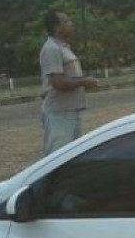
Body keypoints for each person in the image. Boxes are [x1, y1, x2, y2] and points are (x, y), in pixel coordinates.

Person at [39, 10, 98, 156]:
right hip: (59, 113)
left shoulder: (62, 48)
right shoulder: (51, 49)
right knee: (57, 159)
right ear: (57, 27)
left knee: (71, 157)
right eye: (66, 21)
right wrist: (84, 82)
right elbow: (58, 83)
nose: (71, 24)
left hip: (69, 110)